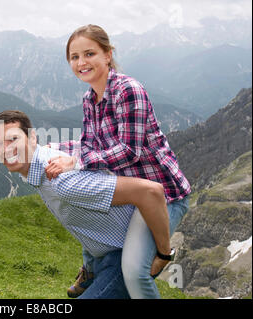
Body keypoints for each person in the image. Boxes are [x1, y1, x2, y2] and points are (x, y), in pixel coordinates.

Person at [44, 24, 191, 299]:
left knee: (135, 273)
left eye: (89, 53)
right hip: (131, 191)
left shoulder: (128, 90)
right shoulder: (90, 98)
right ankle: (92, 265)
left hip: (162, 194)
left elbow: (128, 151)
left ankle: (160, 253)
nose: (81, 62)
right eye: (74, 57)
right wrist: (50, 148)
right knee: (79, 201)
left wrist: (74, 162)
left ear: (107, 55)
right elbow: (90, 144)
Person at [0, 110, 173, 299]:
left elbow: (151, 192)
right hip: (104, 253)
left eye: (13, 139)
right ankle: (90, 268)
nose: (6, 149)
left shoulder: (61, 181)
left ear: (32, 137)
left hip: (126, 255)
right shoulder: (45, 160)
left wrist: (164, 254)